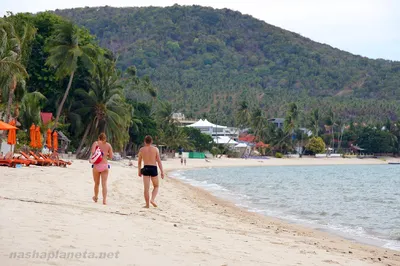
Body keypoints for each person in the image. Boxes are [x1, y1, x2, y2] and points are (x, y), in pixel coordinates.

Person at [138, 135, 164, 208]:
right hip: (153, 168)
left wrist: (139, 171)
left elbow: (139, 162)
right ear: (151, 141)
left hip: (146, 168)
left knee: (146, 188)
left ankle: (147, 205)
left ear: (144, 141)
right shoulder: (155, 149)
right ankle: (152, 199)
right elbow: (159, 161)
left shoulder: (141, 150)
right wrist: (162, 172)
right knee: (156, 186)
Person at [90, 133, 113, 205]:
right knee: (104, 184)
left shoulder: (96, 143)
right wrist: (106, 154)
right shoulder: (108, 145)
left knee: (96, 183)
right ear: (105, 138)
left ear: (98, 138)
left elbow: (93, 152)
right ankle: (104, 200)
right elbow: (111, 156)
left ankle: (96, 197)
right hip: (105, 166)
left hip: (96, 166)